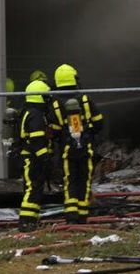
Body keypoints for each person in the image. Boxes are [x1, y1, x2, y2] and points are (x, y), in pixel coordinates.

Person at [48, 63, 104, 224]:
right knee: (84, 181)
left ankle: (71, 216)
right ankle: (82, 216)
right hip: (86, 149)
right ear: (74, 79)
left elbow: (54, 130)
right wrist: (89, 130)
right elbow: (99, 123)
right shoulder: (85, 99)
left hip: (67, 150)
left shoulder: (55, 103)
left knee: (70, 181)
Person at [18, 79, 53, 231]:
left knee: (35, 189)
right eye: (46, 96)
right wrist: (46, 158)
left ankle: (31, 220)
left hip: (32, 157)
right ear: (40, 97)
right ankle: (26, 222)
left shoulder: (30, 112)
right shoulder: (36, 115)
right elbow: (37, 141)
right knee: (32, 189)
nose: (48, 100)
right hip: (32, 159)